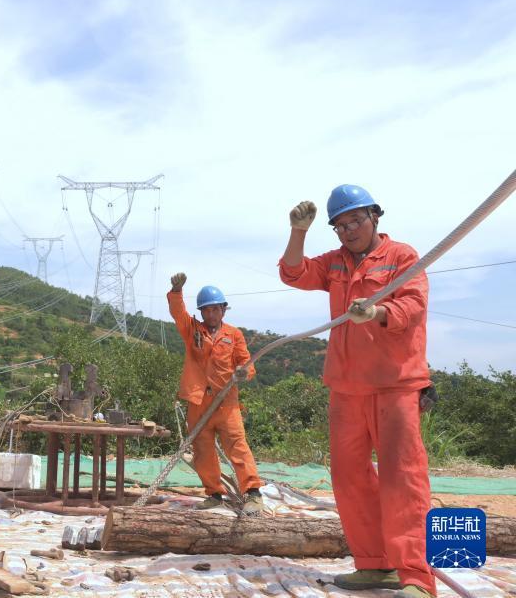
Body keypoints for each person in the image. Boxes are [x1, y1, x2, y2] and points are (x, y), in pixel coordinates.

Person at [279, 185, 435, 598]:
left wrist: (379, 311)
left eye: (355, 221)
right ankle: (373, 565)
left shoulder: (401, 256)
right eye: (340, 225)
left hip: (394, 385)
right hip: (346, 387)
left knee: (402, 479)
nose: (348, 231)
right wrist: (298, 233)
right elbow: (293, 273)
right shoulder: (333, 264)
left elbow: (414, 305)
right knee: (349, 479)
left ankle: (416, 577)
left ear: (374, 217)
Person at [167, 274, 264, 515]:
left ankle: (253, 493)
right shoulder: (193, 331)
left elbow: (247, 362)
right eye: (206, 310)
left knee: (237, 447)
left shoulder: (234, 334)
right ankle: (214, 494)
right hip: (199, 401)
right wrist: (176, 291)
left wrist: (244, 372)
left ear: (223, 310)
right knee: (203, 451)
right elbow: (178, 314)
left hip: (226, 402)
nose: (211, 314)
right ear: (201, 312)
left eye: (215, 309)